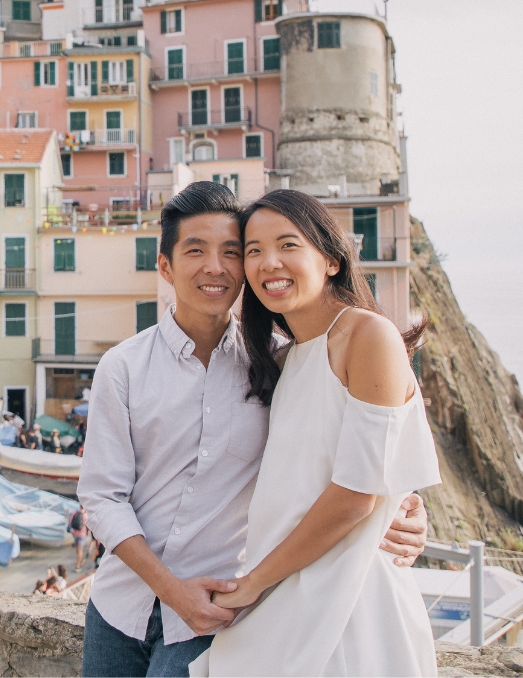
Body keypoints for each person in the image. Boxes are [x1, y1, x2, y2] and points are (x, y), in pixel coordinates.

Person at [78, 182, 429, 678]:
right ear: (164, 266)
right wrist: (170, 589)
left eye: (231, 252)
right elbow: (102, 498)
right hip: (120, 606)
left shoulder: (272, 365)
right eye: (195, 251)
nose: (215, 267)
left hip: (218, 611)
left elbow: (351, 449)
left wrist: (404, 501)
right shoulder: (123, 367)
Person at [195, 189, 441, 676]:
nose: (269, 263)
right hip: (294, 595)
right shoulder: (286, 359)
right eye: (253, 252)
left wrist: (252, 584)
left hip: (352, 603)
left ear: (330, 259)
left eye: (288, 245)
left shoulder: (367, 335)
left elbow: (356, 496)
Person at [69, 505, 91, 573]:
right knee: (80, 551)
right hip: (82, 534)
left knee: (77, 550)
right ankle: (78, 566)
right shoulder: (86, 515)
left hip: (75, 533)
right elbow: (89, 526)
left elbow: (70, 523)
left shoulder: (74, 513)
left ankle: (79, 560)